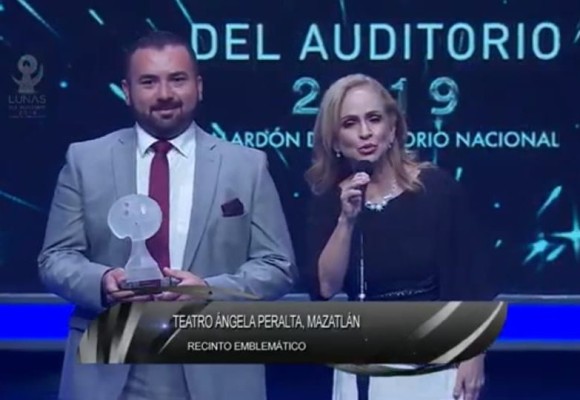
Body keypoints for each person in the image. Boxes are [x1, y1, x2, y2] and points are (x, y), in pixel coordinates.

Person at [38, 31, 297, 400]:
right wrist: (103, 282)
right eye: (149, 82)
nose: (164, 94)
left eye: (177, 79)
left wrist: (208, 290)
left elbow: (278, 266)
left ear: (199, 86)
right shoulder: (85, 161)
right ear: (127, 91)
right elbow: (55, 259)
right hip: (110, 357)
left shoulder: (246, 166)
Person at [304, 73, 495, 400]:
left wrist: (474, 353)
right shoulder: (330, 201)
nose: (365, 132)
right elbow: (326, 287)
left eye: (374, 119)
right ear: (334, 140)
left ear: (392, 129)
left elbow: (471, 278)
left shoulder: (436, 190)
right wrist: (346, 220)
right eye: (350, 123)